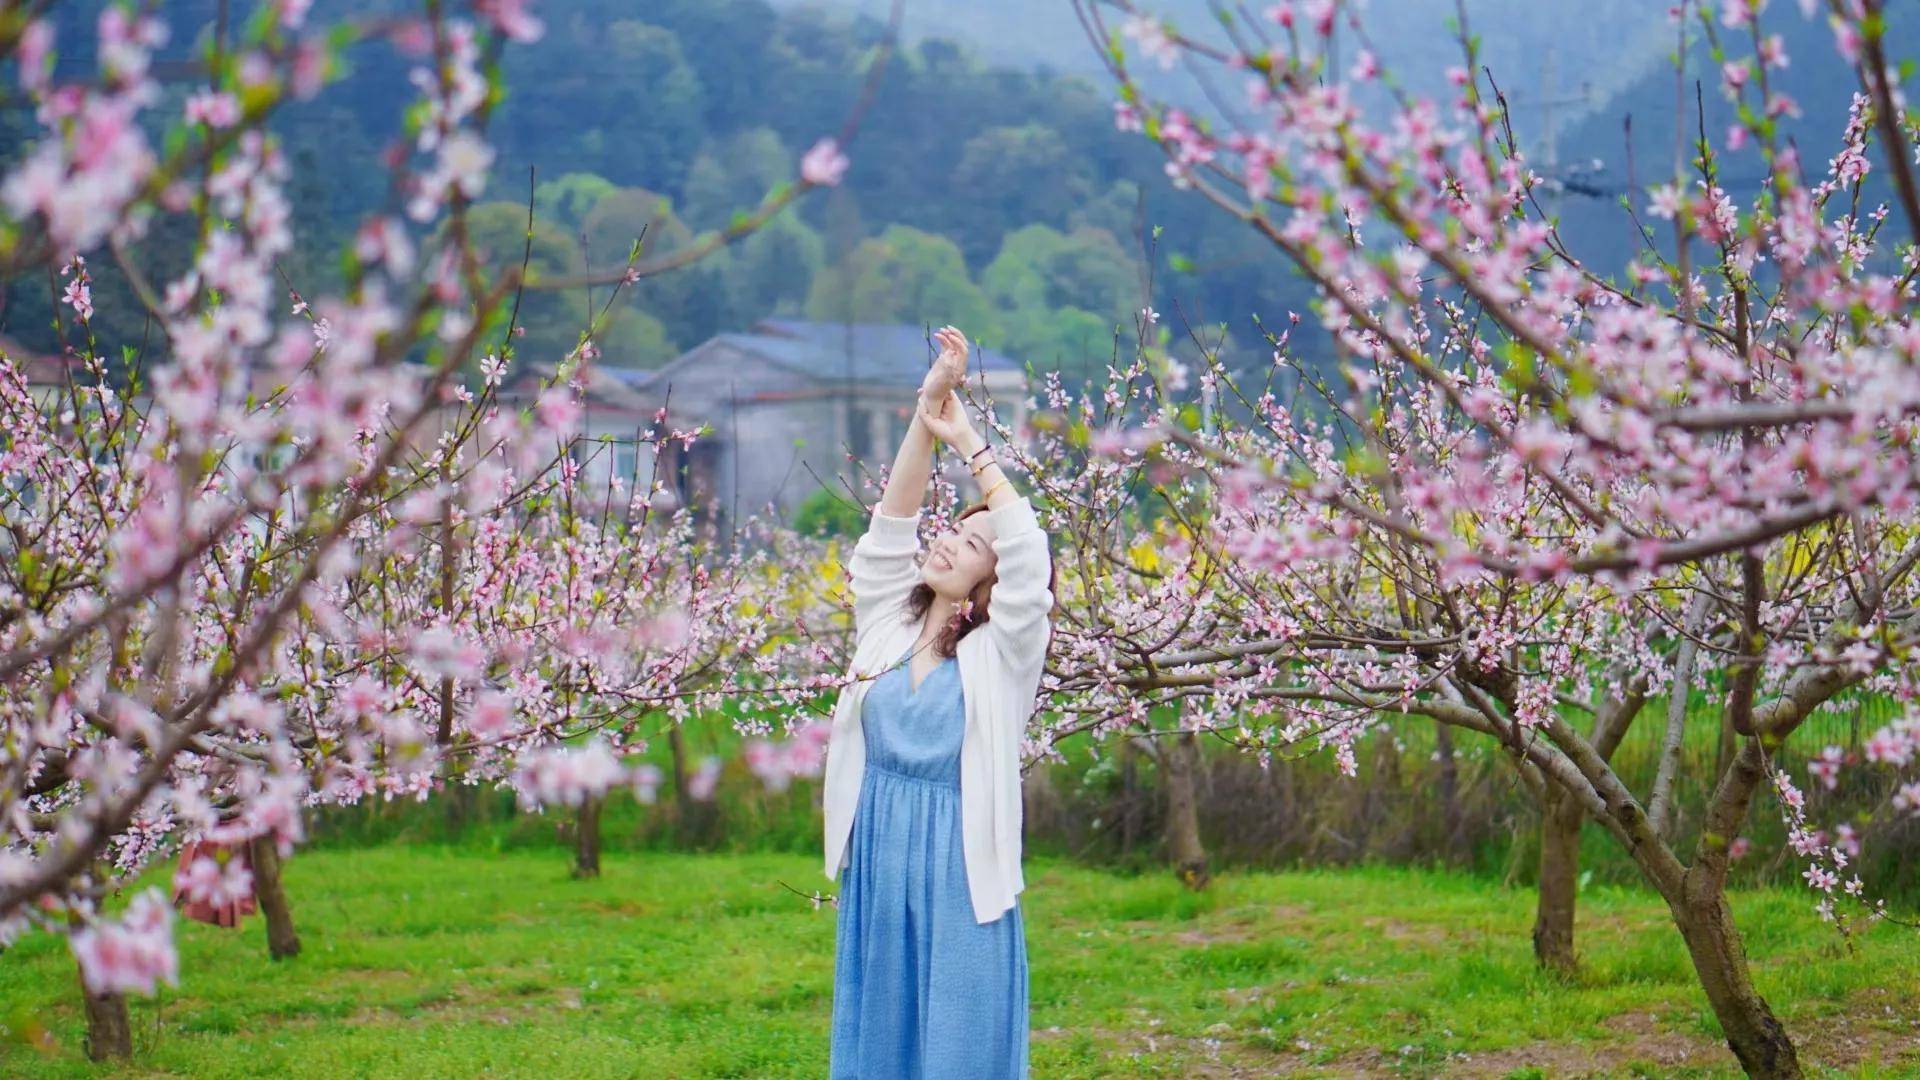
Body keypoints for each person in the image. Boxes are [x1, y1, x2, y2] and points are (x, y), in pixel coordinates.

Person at [823, 325, 1055, 1079]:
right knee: (882, 1040)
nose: (954, 542)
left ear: (992, 584)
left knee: (957, 1042)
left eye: (975, 545)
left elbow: (1028, 553)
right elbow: (891, 524)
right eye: (955, 531)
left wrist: (972, 446)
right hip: (882, 857)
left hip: (960, 865)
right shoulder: (885, 628)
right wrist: (929, 410)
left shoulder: (1003, 653)